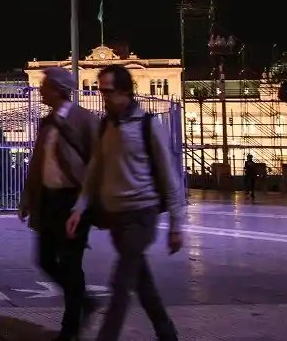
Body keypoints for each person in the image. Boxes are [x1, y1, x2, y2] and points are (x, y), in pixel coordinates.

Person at [66, 64, 183, 341]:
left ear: (125, 92)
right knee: (142, 282)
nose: (102, 97)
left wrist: (176, 225)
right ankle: (167, 333)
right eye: (100, 91)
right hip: (116, 217)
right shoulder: (106, 126)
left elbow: (169, 176)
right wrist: (79, 208)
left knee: (120, 284)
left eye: (107, 92)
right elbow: (94, 171)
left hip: (142, 215)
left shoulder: (148, 125)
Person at [19, 67, 101, 340]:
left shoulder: (85, 120)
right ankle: (85, 301)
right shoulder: (46, 122)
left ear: (57, 90)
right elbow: (37, 163)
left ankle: (70, 328)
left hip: (75, 202)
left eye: (44, 86)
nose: (40, 90)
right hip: (49, 200)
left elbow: (98, 163)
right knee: (44, 259)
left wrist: (87, 202)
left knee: (70, 262)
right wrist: (28, 199)